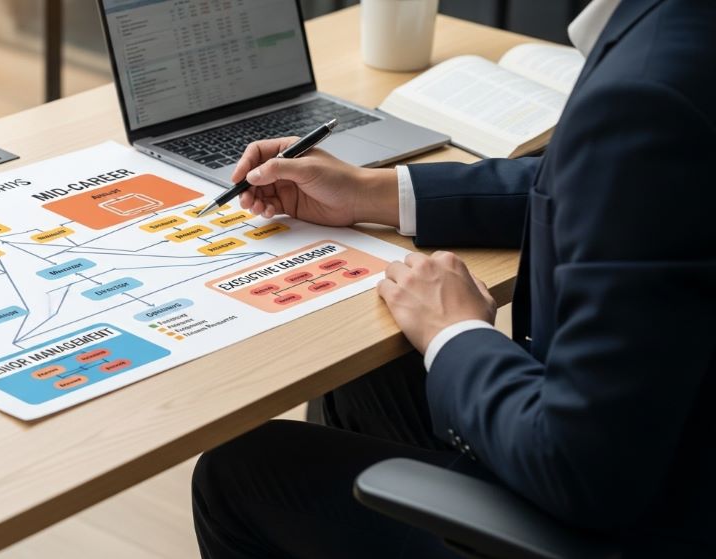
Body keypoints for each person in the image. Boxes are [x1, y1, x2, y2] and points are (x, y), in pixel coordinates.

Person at [191, 0, 716, 557]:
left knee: (238, 473)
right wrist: (374, 192)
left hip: (637, 515)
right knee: (368, 370)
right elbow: (606, 183)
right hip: (663, 425)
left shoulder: (652, 92)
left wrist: (457, 332)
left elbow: (583, 471)